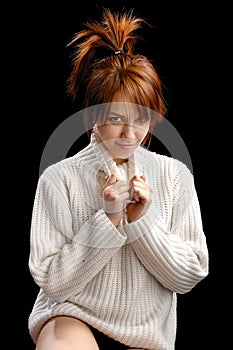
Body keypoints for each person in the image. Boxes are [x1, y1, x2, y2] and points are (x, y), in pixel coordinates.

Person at [28, 8, 209, 350]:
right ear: (92, 116)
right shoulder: (58, 179)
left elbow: (188, 276)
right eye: (114, 118)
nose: (129, 133)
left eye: (141, 119)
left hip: (147, 338)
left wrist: (143, 222)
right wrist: (109, 220)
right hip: (72, 320)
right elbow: (53, 282)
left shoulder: (174, 177)